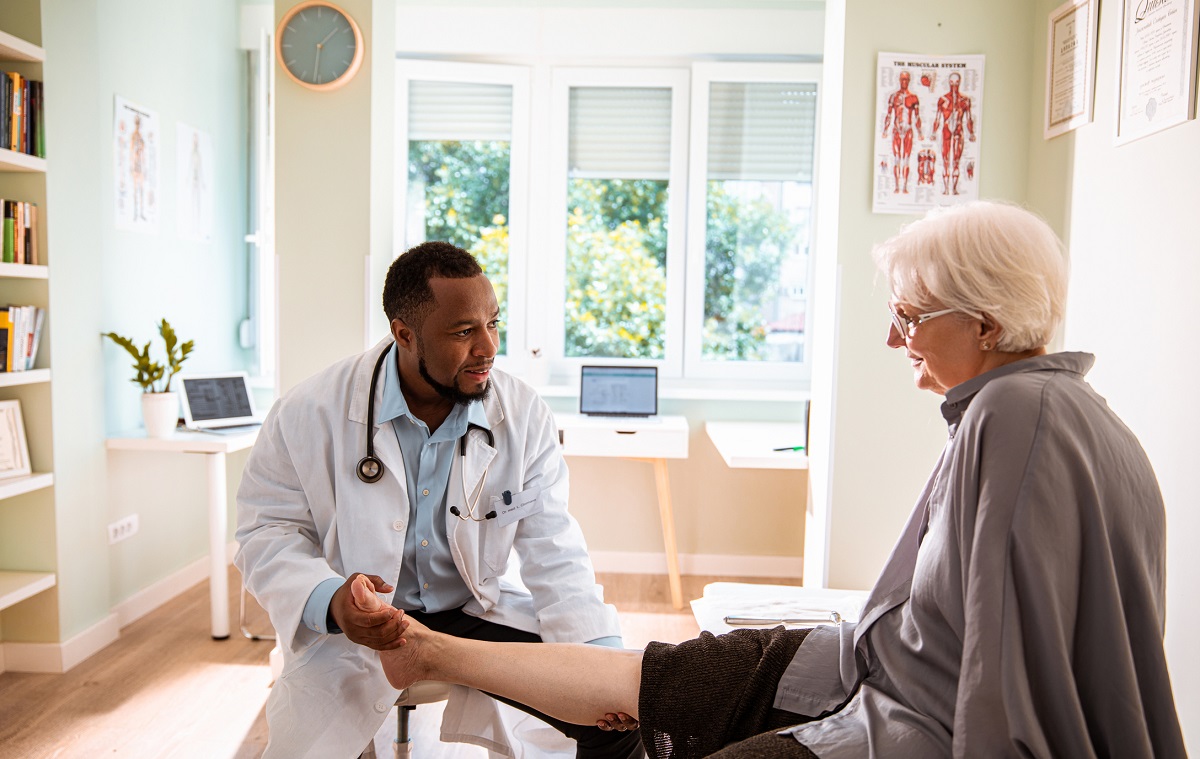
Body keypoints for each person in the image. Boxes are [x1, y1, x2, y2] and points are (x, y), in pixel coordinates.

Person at [368, 202, 1188, 758]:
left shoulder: (1015, 415)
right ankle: (431, 647)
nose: (893, 334)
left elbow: (1003, 674)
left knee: (671, 716)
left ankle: (437, 647)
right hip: (858, 661)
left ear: (987, 322)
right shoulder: (1064, 412)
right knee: (655, 675)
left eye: (910, 314)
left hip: (900, 717)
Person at [236, 241, 643, 759]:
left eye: (493, 324)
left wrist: (601, 660)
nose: (488, 347)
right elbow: (266, 532)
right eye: (463, 331)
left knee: (617, 720)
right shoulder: (308, 411)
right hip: (362, 627)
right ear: (404, 334)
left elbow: (553, 545)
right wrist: (334, 603)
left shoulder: (520, 413)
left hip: (474, 613)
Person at [930, 71, 976, 195]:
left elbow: (969, 119)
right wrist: (934, 132)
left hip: (958, 131)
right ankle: (946, 189)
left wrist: (971, 133)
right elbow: (938, 118)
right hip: (946, 130)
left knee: (956, 161)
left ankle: (954, 189)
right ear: (949, 83)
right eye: (951, 82)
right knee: (945, 161)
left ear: (959, 82)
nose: (954, 85)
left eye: (956, 82)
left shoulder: (965, 100)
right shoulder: (942, 100)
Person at [881, 70, 922, 194]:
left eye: (906, 79)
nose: (904, 82)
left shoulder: (913, 98)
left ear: (909, 81)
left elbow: (917, 117)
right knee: (897, 158)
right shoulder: (893, 97)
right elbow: (888, 115)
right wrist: (885, 130)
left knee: (906, 158)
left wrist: (920, 132)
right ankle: (897, 187)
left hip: (908, 129)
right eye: (902, 79)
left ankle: (904, 187)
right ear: (899, 80)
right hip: (896, 130)